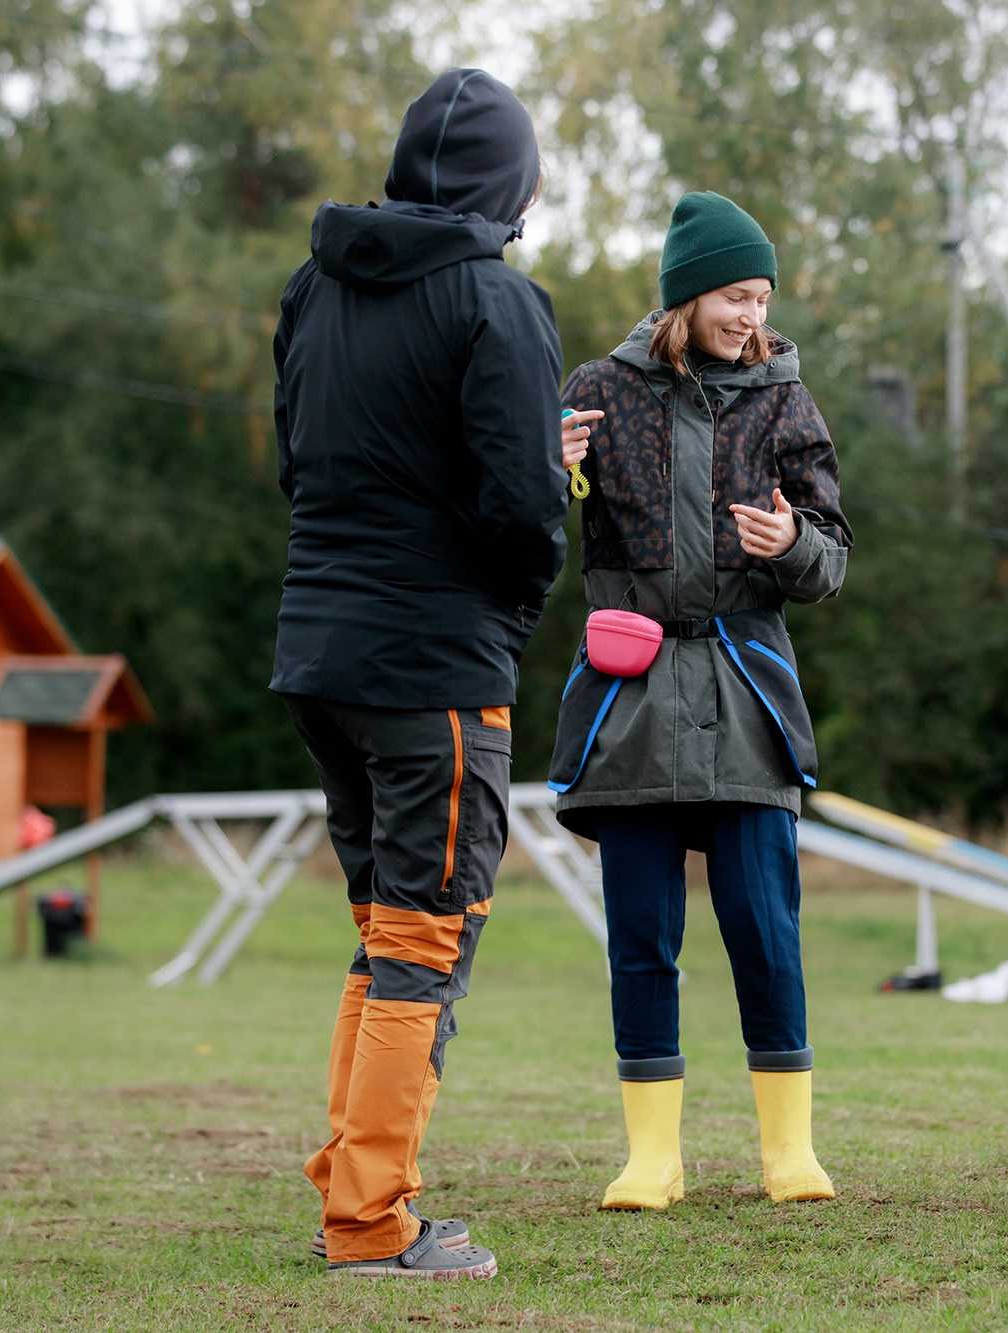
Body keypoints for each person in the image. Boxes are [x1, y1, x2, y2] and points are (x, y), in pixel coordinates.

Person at [270, 68, 567, 1280]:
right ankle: (369, 1222)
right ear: (511, 185)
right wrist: (511, 615)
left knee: (386, 932)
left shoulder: (313, 285)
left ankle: (350, 1183)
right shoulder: (497, 299)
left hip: (318, 653)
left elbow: (297, 461)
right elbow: (522, 504)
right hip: (432, 666)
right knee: (424, 942)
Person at [549, 191, 852, 1210]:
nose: (752, 316)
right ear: (687, 296)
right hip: (627, 696)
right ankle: (653, 1159)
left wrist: (793, 544)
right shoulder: (595, 389)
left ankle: (788, 1151)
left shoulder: (786, 400)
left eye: (762, 298)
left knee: (765, 929)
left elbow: (832, 558)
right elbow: (524, 536)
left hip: (746, 693)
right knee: (641, 936)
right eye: (735, 296)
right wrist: (544, 474)